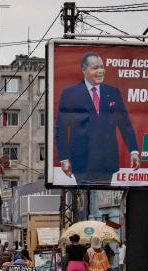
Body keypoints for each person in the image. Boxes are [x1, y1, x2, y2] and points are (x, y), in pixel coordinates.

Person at [55, 52, 140, 185]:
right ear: (84, 70)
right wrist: (64, 158)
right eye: (95, 68)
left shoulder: (112, 92)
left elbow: (125, 124)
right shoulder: (70, 93)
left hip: (106, 162)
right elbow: (61, 130)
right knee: (86, 201)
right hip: (82, 162)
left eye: (102, 67)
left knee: (101, 198)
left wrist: (134, 150)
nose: (100, 71)